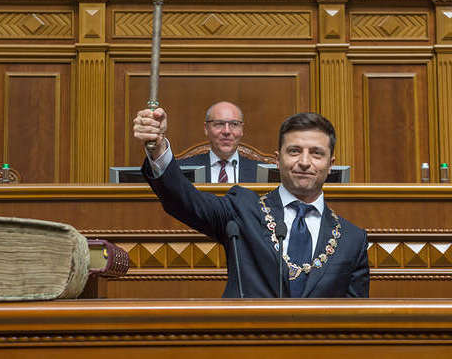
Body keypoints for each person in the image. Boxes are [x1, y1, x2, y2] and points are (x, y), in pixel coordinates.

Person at [134, 107, 369, 298]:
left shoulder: (352, 239)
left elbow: (356, 322)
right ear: (277, 160)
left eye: (316, 153)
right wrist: (158, 148)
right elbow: (184, 201)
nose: (305, 162)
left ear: (331, 164)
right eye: (294, 151)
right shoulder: (242, 209)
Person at [179, 101, 259, 183]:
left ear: (241, 129)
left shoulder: (260, 172)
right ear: (206, 128)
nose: (226, 131)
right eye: (219, 124)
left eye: (234, 124)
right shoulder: (182, 170)